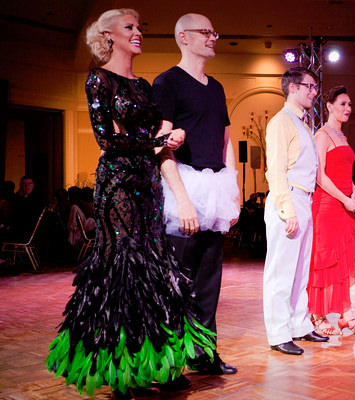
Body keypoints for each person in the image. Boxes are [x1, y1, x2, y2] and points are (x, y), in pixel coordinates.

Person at [46, 9, 216, 399]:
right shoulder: (98, 78)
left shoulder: (143, 86)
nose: (138, 32)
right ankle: (121, 368)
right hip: (118, 187)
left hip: (148, 186)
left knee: (156, 271)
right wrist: (157, 140)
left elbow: (161, 132)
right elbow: (107, 140)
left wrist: (173, 135)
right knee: (124, 271)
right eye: (130, 27)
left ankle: (160, 361)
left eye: (140, 26)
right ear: (108, 35)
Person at [152, 13, 240, 376]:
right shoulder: (167, 82)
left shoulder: (216, 87)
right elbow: (161, 143)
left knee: (209, 279)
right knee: (177, 280)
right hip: (184, 188)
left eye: (214, 32)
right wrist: (183, 199)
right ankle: (170, 361)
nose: (213, 37)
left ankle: (204, 352)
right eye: (206, 32)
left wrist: (234, 189)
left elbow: (225, 139)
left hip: (216, 186)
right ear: (183, 37)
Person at [263, 66, 329, 356]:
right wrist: (287, 210)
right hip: (287, 197)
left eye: (315, 87)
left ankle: (299, 324)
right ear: (292, 87)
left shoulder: (301, 122)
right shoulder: (281, 121)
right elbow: (275, 170)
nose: (313, 92)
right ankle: (278, 333)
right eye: (309, 87)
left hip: (304, 199)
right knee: (281, 271)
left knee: (300, 270)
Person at [308, 86, 355, 336]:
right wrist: (345, 197)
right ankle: (317, 314)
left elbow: (343, 171)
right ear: (329, 106)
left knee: (342, 263)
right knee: (324, 261)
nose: (348, 109)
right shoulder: (322, 135)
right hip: (328, 206)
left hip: (344, 205)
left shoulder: (342, 137)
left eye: (350, 104)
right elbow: (320, 175)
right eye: (342, 104)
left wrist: (354, 190)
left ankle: (346, 314)